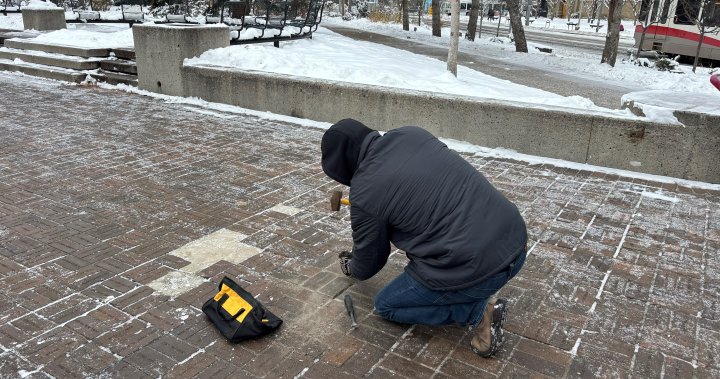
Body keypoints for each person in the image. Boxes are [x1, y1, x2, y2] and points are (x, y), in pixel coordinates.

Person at [320, 119, 527, 357]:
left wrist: (352, 266)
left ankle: (479, 313)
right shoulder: (411, 134)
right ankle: (477, 297)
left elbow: (369, 263)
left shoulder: (365, 194)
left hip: (480, 269)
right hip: (516, 241)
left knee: (386, 305)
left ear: (342, 166)